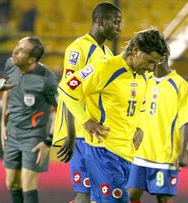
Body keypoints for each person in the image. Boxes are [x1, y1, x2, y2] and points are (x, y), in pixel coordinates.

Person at [58, 28, 169, 203]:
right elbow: (66, 88)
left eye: (155, 63)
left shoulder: (144, 77)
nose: (151, 68)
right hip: (103, 151)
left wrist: (139, 126)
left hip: (127, 153)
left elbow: (141, 105)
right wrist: (85, 120)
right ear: (135, 50)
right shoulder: (103, 68)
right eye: (149, 61)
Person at [52, 2, 122, 203]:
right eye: (116, 22)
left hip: (100, 135)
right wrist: (71, 134)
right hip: (82, 135)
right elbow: (67, 90)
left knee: (98, 195)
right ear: (101, 21)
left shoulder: (109, 55)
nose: (119, 27)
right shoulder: (78, 49)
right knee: (84, 194)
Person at [127, 56, 188, 203]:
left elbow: (185, 121)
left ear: (160, 58)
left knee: (163, 198)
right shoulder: (144, 79)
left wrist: (183, 152)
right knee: (131, 194)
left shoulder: (179, 84)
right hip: (139, 152)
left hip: (165, 156)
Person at [1, 36, 58, 203]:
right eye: (17, 46)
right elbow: (7, 88)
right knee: (12, 183)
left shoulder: (47, 79)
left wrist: (48, 141)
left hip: (34, 136)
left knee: (28, 183)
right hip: (12, 133)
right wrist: (3, 125)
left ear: (31, 59)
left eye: (20, 51)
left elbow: (61, 110)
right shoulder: (10, 64)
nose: (14, 51)